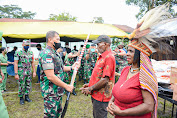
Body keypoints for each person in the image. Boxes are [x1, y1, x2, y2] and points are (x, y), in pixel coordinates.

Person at [39, 31, 80, 117]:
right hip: (51, 93)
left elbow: (59, 69)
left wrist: (71, 67)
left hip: (57, 91)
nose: (59, 41)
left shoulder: (55, 53)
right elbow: (50, 76)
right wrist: (66, 86)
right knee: (51, 115)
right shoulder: (47, 54)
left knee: (58, 114)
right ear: (50, 40)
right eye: (57, 39)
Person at [80, 35, 116, 118]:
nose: (97, 46)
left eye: (98, 43)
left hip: (101, 97)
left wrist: (90, 88)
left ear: (106, 44)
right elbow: (99, 75)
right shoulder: (102, 56)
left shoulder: (109, 57)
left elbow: (105, 80)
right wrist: (89, 85)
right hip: (96, 95)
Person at [14, 40, 36, 105]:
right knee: (22, 85)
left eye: (28, 45)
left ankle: (27, 96)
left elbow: (32, 62)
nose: (27, 46)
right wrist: (16, 73)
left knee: (28, 84)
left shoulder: (31, 52)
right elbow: (15, 63)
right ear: (22, 44)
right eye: (26, 45)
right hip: (21, 72)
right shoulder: (18, 52)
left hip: (28, 71)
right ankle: (21, 98)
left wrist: (34, 71)